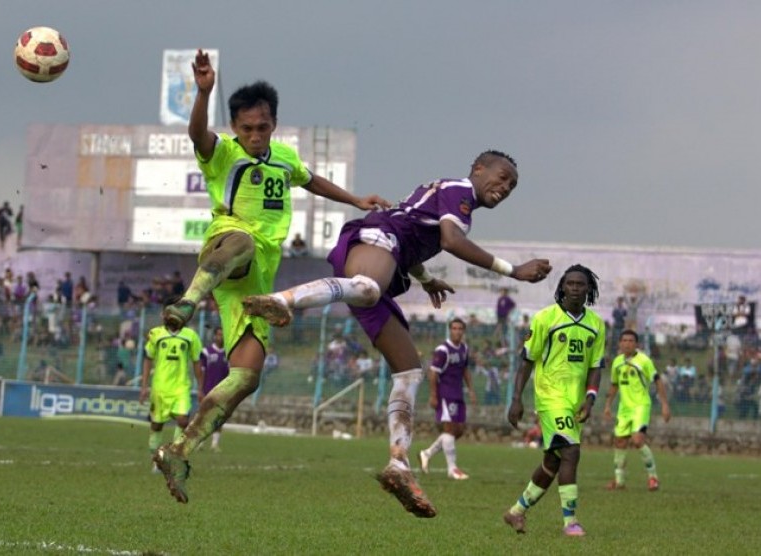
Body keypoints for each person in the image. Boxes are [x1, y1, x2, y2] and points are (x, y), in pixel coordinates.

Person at [243, 149, 552, 518]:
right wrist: (513, 269)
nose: (505, 187)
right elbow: (449, 240)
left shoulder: (453, 197)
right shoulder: (460, 190)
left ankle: (399, 464)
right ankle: (281, 300)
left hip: (388, 251)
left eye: (512, 185)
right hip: (376, 238)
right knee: (368, 287)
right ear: (478, 168)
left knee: (408, 370)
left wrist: (425, 278)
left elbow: (413, 233)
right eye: (501, 177)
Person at [152, 50, 389, 504]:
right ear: (235, 128)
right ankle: (186, 301)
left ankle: (180, 450)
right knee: (240, 241)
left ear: (273, 125)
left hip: (257, 281)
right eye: (247, 128)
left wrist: (357, 201)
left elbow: (312, 180)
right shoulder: (223, 153)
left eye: (262, 127)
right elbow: (197, 133)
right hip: (227, 247)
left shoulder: (282, 158)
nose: (255, 135)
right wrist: (203, 93)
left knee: (246, 376)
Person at [503, 264, 605, 537]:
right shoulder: (545, 318)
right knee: (572, 452)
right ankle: (570, 522)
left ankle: (516, 512)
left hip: (575, 402)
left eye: (580, 284)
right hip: (550, 397)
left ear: (588, 289)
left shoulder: (596, 325)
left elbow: (596, 366)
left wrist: (590, 399)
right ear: (561, 287)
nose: (574, 288)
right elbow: (527, 361)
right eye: (569, 283)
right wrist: (516, 399)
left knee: (554, 462)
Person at [603, 329, 671, 491]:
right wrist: (607, 405)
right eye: (624, 340)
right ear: (620, 343)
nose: (627, 343)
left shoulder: (644, 361)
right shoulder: (617, 362)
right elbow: (614, 385)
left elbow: (658, 381)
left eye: (631, 341)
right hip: (624, 409)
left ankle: (653, 478)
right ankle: (619, 482)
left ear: (637, 344)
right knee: (619, 442)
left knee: (637, 440)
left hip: (641, 406)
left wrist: (664, 404)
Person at [140, 319, 203, 474]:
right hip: (160, 388)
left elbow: (196, 362)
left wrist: (201, 388)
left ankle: (172, 456)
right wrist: (144, 386)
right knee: (156, 426)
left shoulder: (190, 335)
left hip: (181, 387)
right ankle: (156, 460)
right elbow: (148, 359)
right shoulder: (156, 333)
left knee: (183, 419)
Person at [419, 317, 476, 480]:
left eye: (460, 328)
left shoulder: (464, 349)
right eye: (454, 328)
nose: (457, 331)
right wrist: (433, 395)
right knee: (449, 429)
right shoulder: (442, 350)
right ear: (450, 330)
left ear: (463, 331)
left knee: (459, 430)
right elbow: (433, 373)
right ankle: (452, 469)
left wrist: (471, 390)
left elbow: (465, 370)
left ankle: (427, 453)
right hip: (445, 394)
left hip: (458, 394)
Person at [199, 326, 228, 452]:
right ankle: (201, 442)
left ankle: (215, 444)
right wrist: (200, 389)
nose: (220, 337)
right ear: (214, 336)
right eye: (218, 335)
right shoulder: (206, 352)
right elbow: (202, 371)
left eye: (222, 335)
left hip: (222, 390)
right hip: (207, 389)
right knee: (205, 417)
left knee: (219, 418)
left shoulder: (228, 353)